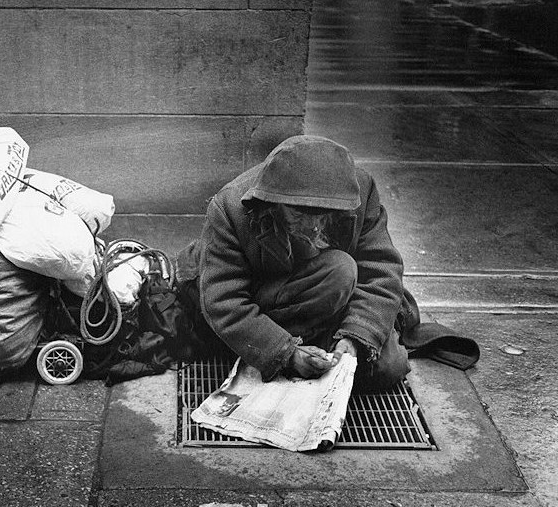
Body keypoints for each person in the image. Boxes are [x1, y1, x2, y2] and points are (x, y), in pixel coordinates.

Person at [176, 135, 417, 390]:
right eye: (299, 214)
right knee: (341, 271)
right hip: (263, 299)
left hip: (322, 295)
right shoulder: (230, 207)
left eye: (324, 216)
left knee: (389, 367)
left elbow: (381, 272)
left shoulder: (360, 191)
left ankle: (320, 341)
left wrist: (354, 340)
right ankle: (281, 346)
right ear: (274, 204)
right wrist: (286, 353)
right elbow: (224, 301)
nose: (313, 227)